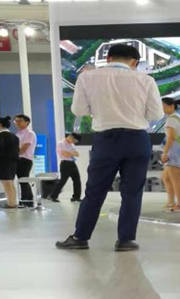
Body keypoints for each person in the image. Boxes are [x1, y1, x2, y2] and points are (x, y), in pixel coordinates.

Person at [56, 43, 164, 252]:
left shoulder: (87, 78)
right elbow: (155, 114)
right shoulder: (145, 80)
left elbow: (79, 110)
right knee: (132, 193)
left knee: (95, 191)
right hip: (137, 139)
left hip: (106, 140)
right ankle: (126, 240)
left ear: (108, 58)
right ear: (134, 62)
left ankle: (80, 237)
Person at [161, 97, 180, 213]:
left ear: (171, 106)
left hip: (174, 152)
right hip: (179, 151)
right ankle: (171, 202)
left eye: (163, 106)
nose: (161, 108)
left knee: (175, 179)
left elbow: (171, 138)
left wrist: (165, 152)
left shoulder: (171, 119)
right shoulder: (178, 117)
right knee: (166, 177)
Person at [48, 133, 82, 203]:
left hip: (72, 163)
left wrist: (70, 153)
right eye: (74, 140)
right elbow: (65, 154)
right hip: (65, 164)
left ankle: (76, 197)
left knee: (77, 180)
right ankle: (53, 196)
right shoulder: (61, 143)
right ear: (71, 137)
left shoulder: (72, 145)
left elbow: (77, 154)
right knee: (63, 181)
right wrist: (72, 153)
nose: (74, 142)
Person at [14, 114, 37, 208]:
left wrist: (13, 154)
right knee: (21, 181)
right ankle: (25, 201)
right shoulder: (17, 134)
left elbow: (24, 148)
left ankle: (27, 201)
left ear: (27, 122)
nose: (17, 123)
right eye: (16, 121)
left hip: (25, 159)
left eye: (20, 121)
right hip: (17, 159)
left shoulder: (30, 133)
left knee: (24, 180)